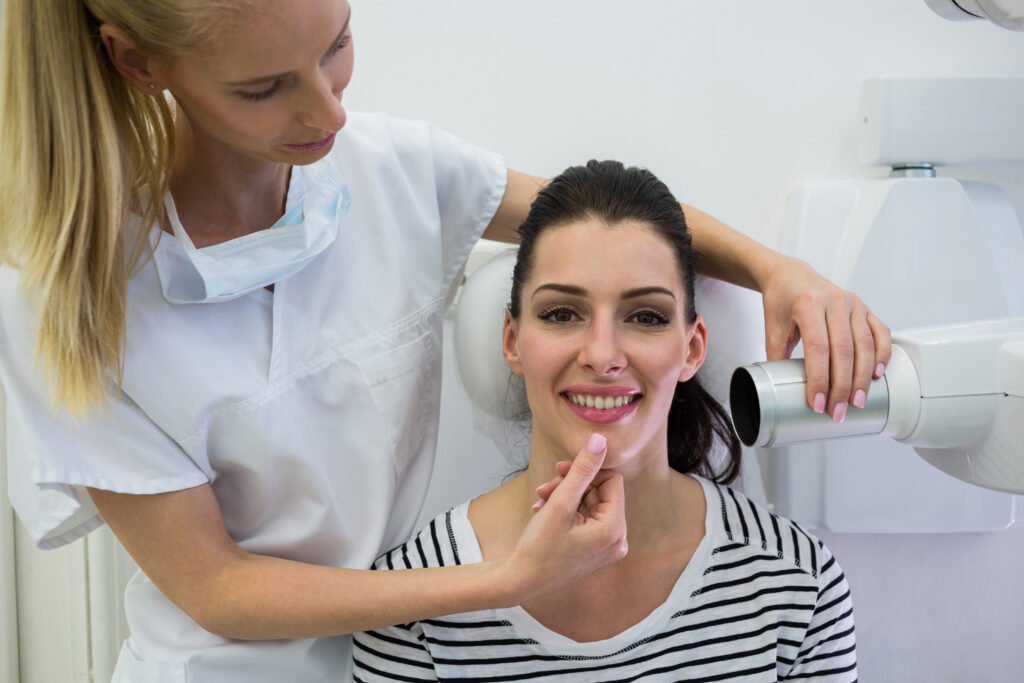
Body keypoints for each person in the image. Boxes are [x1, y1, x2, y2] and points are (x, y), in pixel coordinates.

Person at [0, 1, 875, 681]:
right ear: (137, 60)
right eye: (265, 88)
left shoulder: (395, 172)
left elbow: (609, 223)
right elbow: (217, 588)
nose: (329, 110)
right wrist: (504, 581)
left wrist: (777, 268)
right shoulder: (64, 300)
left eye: (337, 45)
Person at [352, 160, 857, 682]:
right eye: (561, 313)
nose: (602, 355)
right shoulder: (410, 609)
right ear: (512, 341)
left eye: (646, 317)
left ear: (692, 349)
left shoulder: (797, 585)